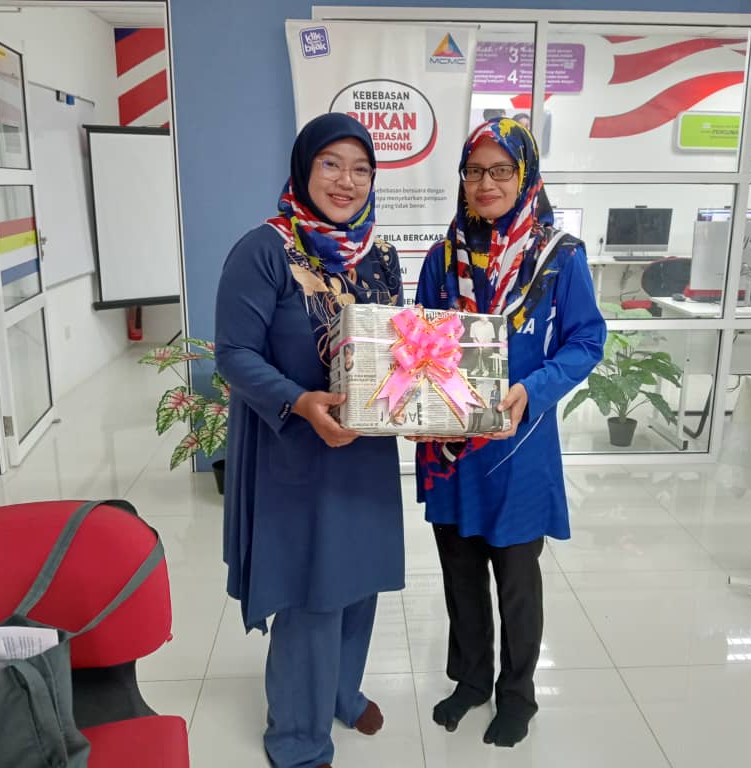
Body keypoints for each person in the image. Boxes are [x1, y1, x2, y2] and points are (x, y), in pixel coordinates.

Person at [214, 113, 405, 768]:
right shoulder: (264, 249)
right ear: (304, 168)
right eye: (331, 164)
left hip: (364, 447)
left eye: (361, 169)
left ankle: (341, 692)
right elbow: (234, 354)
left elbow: (395, 343)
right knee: (312, 588)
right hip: (296, 446)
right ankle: (297, 736)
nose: (346, 181)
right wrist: (298, 401)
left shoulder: (379, 254)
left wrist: (421, 394)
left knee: (359, 577)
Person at [413, 117, 605, 748]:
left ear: (524, 176)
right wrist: (409, 404)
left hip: (519, 448)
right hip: (451, 448)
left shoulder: (559, 257)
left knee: (518, 582)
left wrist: (536, 387)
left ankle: (517, 695)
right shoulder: (443, 257)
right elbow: (420, 344)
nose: (486, 183)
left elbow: (586, 340)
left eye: (501, 170)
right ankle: (470, 680)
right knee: (460, 573)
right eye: (474, 171)